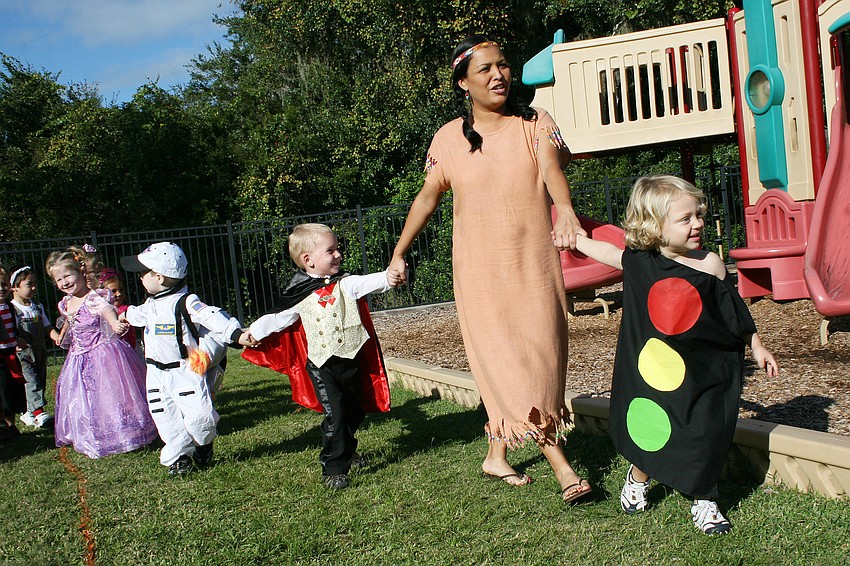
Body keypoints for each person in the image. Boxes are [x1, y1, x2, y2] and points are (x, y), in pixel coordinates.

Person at [388, 36, 591, 502]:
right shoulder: (447, 139)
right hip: (480, 272)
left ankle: (495, 455)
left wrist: (565, 210)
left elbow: (552, 169)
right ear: (463, 83)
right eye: (485, 69)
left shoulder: (535, 121)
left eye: (502, 65)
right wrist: (399, 251)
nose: (498, 74)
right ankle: (562, 466)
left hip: (535, 266)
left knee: (542, 357)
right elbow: (426, 198)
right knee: (508, 364)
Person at [573, 175, 779, 534]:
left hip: (701, 370)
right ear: (654, 226)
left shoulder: (710, 265)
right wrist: (576, 240)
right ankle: (638, 477)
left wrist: (756, 345)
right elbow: (609, 254)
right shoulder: (640, 262)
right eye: (685, 219)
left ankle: (705, 499)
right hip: (654, 369)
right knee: (651, 429)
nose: (698, 224)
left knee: (703, 431)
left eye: (698, 215)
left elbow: (733, 313)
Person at [242, 223, 402, 490]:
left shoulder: (346, 284)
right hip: (322, 366)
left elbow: (371, 281)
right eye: (331, 250)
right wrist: (253, 332)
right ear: (309, 260)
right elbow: (277, 319)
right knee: (335, 415)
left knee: (354, 412)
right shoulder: (299, 294)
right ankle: (334, 468)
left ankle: (347, 449)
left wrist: (391, 277)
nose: (338, 254)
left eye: (337, 249)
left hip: (351, 362)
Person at [120, 242, 251, 476]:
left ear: (159, 277)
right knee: (165, 417)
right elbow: (136, 314)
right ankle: (179, 459)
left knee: (200, 419)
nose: (140, 277)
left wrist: (236, 334)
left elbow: (211, 316)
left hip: (185, 371)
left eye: (143, 273)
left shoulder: (185, 302)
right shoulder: (150, 305)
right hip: (156, 373)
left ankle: (203, 442)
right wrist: (123, 315)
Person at [45, 250, 158, 458]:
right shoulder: (66, 302)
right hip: (78, 356)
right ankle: (92, 435)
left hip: (102, 353)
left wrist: (114, 323)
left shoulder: (93, 298)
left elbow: (107, 310)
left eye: (67, 276)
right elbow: (71, 320)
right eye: (58, 279)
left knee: (111, 394)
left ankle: (124, 433)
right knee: (85, 398)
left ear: (81, 271)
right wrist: (63, 334)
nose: (64, 282)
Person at [10, 265, 56, 429]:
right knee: (31, 381)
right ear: (15, 287)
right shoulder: (13, 309)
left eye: (35, 283)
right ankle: (39, 413)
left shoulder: (37, 307)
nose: (34, 287)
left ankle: (29, 412)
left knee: (40, 379)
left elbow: (47, 327)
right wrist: (16, 340)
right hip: (24, 354)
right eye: (29, 284)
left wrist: (56, 337)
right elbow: (10, 331)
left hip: (40, 351)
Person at [0, 266, 27, 440]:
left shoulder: (9, 307)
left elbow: (13, 329)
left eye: (4, 284)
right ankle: (2, 423)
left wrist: (17, 339)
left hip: (10, 354)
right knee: (1, 390)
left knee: (12, 390)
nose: (1, 289)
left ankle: (11, 423)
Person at [98, 267, 137, 350]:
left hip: (127, 349)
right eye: (113, 291)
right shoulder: (98, 313)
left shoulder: (125, 311)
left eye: (121, 290)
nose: (119, 294)